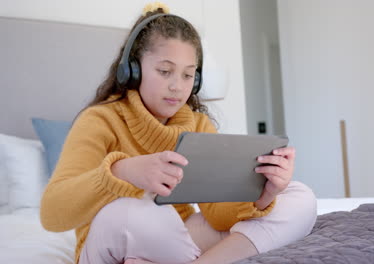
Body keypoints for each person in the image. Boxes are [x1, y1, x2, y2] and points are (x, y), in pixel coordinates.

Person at [40, 2, 317, 264]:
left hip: (175, 239)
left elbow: (219, 216)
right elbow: (52, 214)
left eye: (187, 75)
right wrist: (122, 171)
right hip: (112, 241)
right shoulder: (100, 120)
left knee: (299, 197)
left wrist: (264, 195)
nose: (177, 86)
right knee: (130, 211)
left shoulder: (197, 125)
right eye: (164, 71)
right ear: (133, 71)